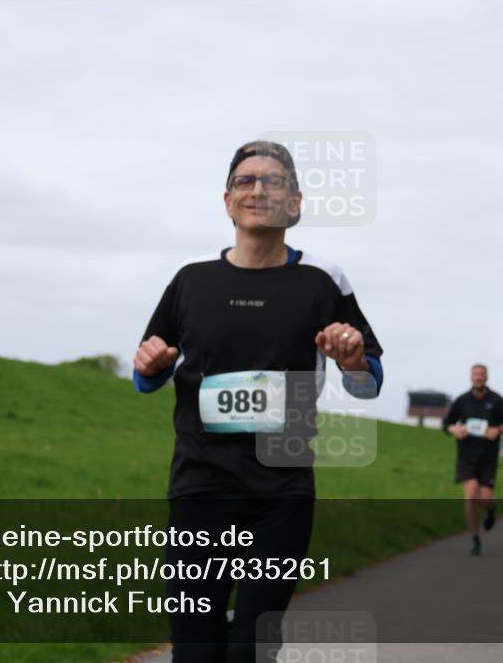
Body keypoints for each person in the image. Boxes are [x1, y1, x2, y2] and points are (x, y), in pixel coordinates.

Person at [133, 140, 384, 662]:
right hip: (199, 484)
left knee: (250, 646)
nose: (258, 189)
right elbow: (148, 375)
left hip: (281, 489)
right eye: (246, 181)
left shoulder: (322, 279)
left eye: (273, 181)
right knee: (196, 650)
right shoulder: (191, 281)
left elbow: (370, 380)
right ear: (227, 201)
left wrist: (354, 360)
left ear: (295, 203)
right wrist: (150, 366)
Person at [443, 364, 503, 556]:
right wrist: (455, 430)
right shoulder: (462, 400)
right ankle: (475, 538)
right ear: (470, 377)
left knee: (485, 498)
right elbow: (446, 423)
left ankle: (491, 510)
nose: (478, 377)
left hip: (488, 457)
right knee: (471, 495)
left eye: (481, 374)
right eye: (475, 374)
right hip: (466, 455)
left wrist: (498, 430)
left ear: (487, 377)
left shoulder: (497, 400)